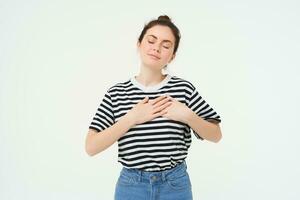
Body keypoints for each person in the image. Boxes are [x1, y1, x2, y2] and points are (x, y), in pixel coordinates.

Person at [85, 15, 222, 200]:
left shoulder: (183, 89)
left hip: (175, 185)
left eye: (166, 45)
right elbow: (91, 147)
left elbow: (216, 135)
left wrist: (188, 116)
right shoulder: (116, 93)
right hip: (131, 186)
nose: (156, 48)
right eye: (151, 40)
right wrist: (131, 118)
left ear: (172, 56)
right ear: (139, 44)